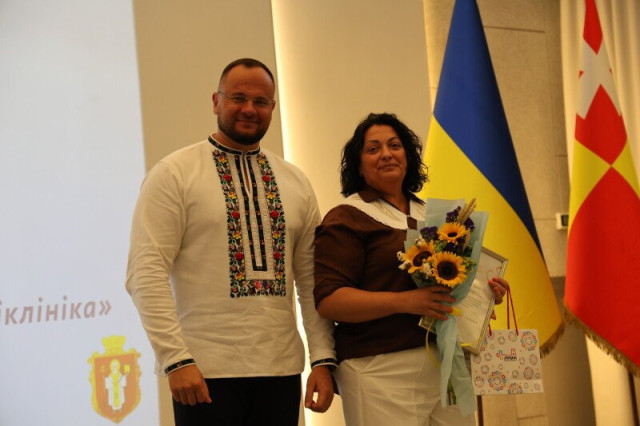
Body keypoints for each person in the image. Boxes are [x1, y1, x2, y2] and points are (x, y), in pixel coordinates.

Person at [126, 58, 337, 426]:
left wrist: (322, 359)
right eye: (238, 98)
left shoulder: (296, 182)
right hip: (202, 374)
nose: (249, 109)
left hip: (280, 371)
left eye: (261, 101)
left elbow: (311, 280)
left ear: (273, 107)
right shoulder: (174, 174)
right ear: (216, 101)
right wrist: (176, 359)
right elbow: (145, 273)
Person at [313, 112, 509, 426]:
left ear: (408, 156)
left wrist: (481, 297)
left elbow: (447, 289)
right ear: (358, 166)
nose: (386, 154)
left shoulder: (438, 217)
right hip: (378, 369)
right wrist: (405, 302)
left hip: (445, 362)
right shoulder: (347, 216)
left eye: (395, 145)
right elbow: (329, 300)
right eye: (373, 149)